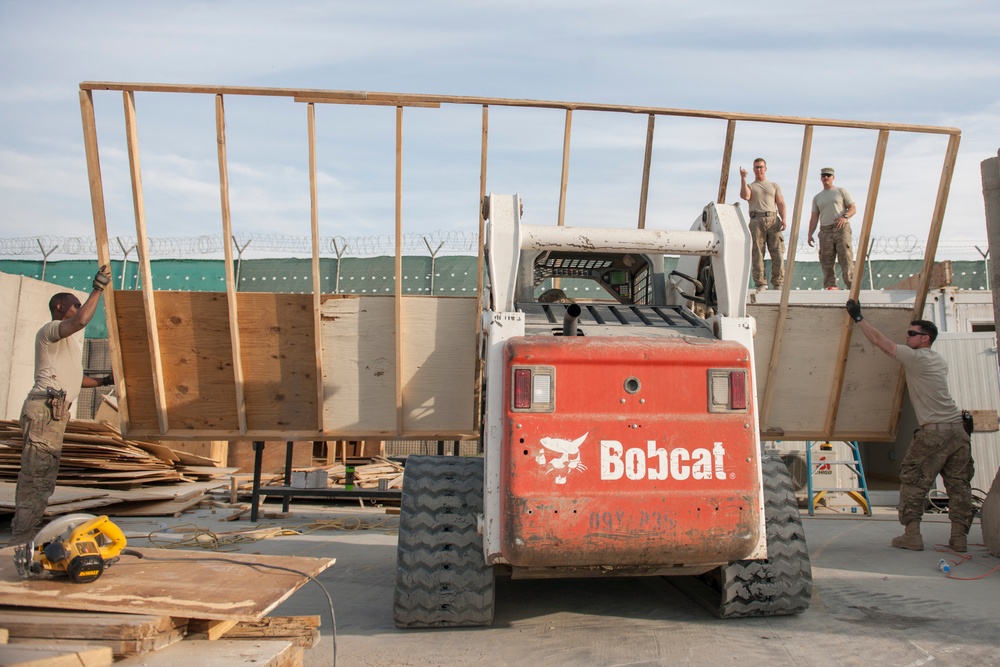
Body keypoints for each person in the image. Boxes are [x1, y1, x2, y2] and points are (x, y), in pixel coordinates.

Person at [845, 299, 973, 552]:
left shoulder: (917, 358)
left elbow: (882, 343)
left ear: (925, 339)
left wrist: (858, 318)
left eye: (913, 334)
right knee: (959, 486)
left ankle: (912, 535)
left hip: (935, 433)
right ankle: (959, 539)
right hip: (958, 432)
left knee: (914, 482)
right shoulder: (937, 360)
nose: (908, 337)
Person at [10, 265, 113, 576]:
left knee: (43, 476)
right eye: (74, 304)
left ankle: (24, 535)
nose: (79, 309)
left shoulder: (64, 343)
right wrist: (98, 289)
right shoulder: (51, 330)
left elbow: (75, 378)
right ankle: (20, 542)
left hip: (53, 410)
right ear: (60, 308)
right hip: (45, 410)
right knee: (36, 478)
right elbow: (81, 321)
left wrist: (105, 379)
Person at [740, 158, 787, 291]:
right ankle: (761, 283)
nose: (758, 169)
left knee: (777, 252)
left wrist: (784, 219)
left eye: (761, 167)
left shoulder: (774, 185)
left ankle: (778, 283)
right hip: (756, 220)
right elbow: (745, 196)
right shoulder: (750, 186)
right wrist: (743, 179)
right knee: (758, 253)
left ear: (765, 168)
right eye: (756, 167)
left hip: (772, 218)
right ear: (753, 169)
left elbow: (781, 202)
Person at [807, 167, 857, 290]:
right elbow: (814, 216)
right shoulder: (817, 197)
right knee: (826, 260)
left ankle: (851, 286)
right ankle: (831, 286)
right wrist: (810, 234)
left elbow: (852, 208)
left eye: (828, 175)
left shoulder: (841, 191)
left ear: (833, 177)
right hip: (825, 230)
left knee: (846, 258)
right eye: (823, 176)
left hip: (841, 228)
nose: (826, 178)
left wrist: (844, 217)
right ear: (821, 178)